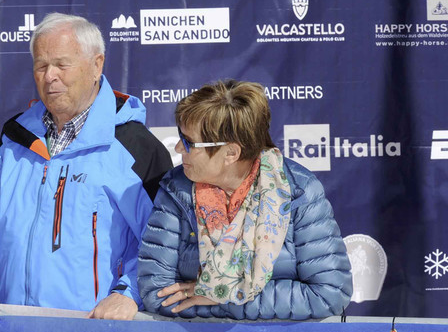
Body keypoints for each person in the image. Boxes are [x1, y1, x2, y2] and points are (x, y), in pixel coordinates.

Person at [0, 13, 172, 320]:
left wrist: (129, 293)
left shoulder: (135, 147)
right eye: (41, 66)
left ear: (97, 65)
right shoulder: (17, 138)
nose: (49, 76)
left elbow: (165, 243)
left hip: (95, 331)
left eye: (61, 64)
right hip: (14, 329)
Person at [138, 80, 352, 319]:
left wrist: (223, 297)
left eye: (189, 142)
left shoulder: (300, 193)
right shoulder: (175, 191)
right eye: (180, 137)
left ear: (231, 153)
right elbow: (157, 293)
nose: (178, 148)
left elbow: (329, 295)